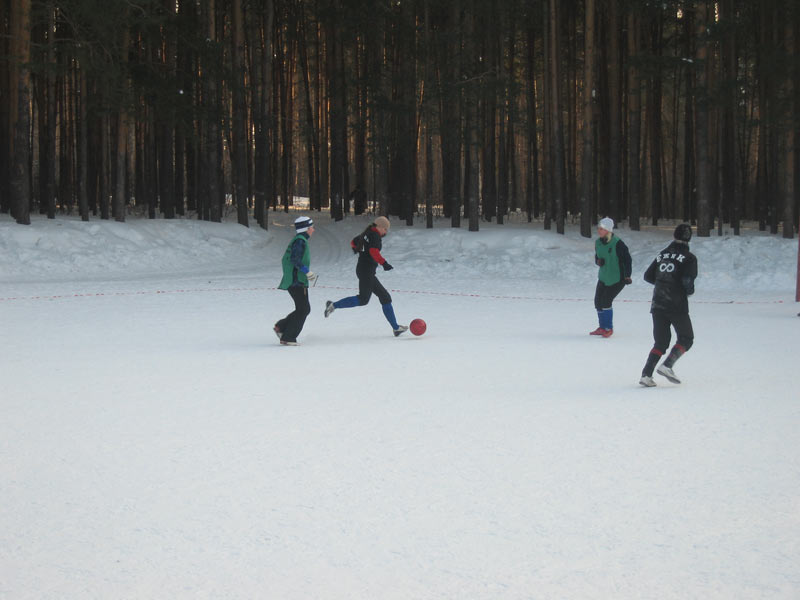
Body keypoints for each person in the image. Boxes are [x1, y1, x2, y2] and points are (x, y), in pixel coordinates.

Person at [324, 216, 408, 336]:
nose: (385, 232)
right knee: (364, 299)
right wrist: (384, 263)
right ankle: (333, 305)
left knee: (385, 297)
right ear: (379, 227)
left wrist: (360, 252)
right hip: (366, 271)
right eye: (385, 229)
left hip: (364, 270)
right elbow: (374, 252)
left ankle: (396, 328)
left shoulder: (367, 233)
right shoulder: (375, 236)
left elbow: (353, 242)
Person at [639, 223, 698, 387]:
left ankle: (646, 374)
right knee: (686, 338)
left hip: (658, 303)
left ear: (674, 236)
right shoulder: (689, 258)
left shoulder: (662, 255)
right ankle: (667, 365)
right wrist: (687, 291)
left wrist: (663, 284)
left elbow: (648, 276)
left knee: (660, 342)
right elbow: (687, 281)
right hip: (676, 304)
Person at [274, 216, 316, 346]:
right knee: (303, 309)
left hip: (296, 281)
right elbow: (295, 259)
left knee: (304, 309)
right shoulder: (300, 241)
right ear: (306, 229)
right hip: (296, 282)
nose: (313, 230)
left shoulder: (300, 240)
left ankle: (281, 327)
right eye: (311, 227)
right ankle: (288, 337)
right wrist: (306, 271)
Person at [590, 217, 632, 337]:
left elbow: (627, 260)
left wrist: (627, 275)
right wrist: (598, 261)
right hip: (604, 277)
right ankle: (602, 327)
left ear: (608, 230)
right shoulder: (598, 242)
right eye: (598, 228)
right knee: (598, 301)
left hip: (618, 278)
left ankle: (608, 328)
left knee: (606, 301)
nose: (599, 230)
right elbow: (597, 257)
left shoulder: (618, 244)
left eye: (602, 229)